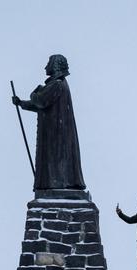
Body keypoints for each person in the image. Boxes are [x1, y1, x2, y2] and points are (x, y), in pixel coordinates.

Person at [11, 54, 87, 191]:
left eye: (48, 63)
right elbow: (42, 105)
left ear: (55, 66)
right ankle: (56, 183)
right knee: (56, 159)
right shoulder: (58, 84)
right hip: (56, 130)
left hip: (56, 133)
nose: (45, 67)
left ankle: (58, 184)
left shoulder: (56, 84)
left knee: (56, 159)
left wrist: (34, 93)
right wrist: (21, 103)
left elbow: (40, 101)